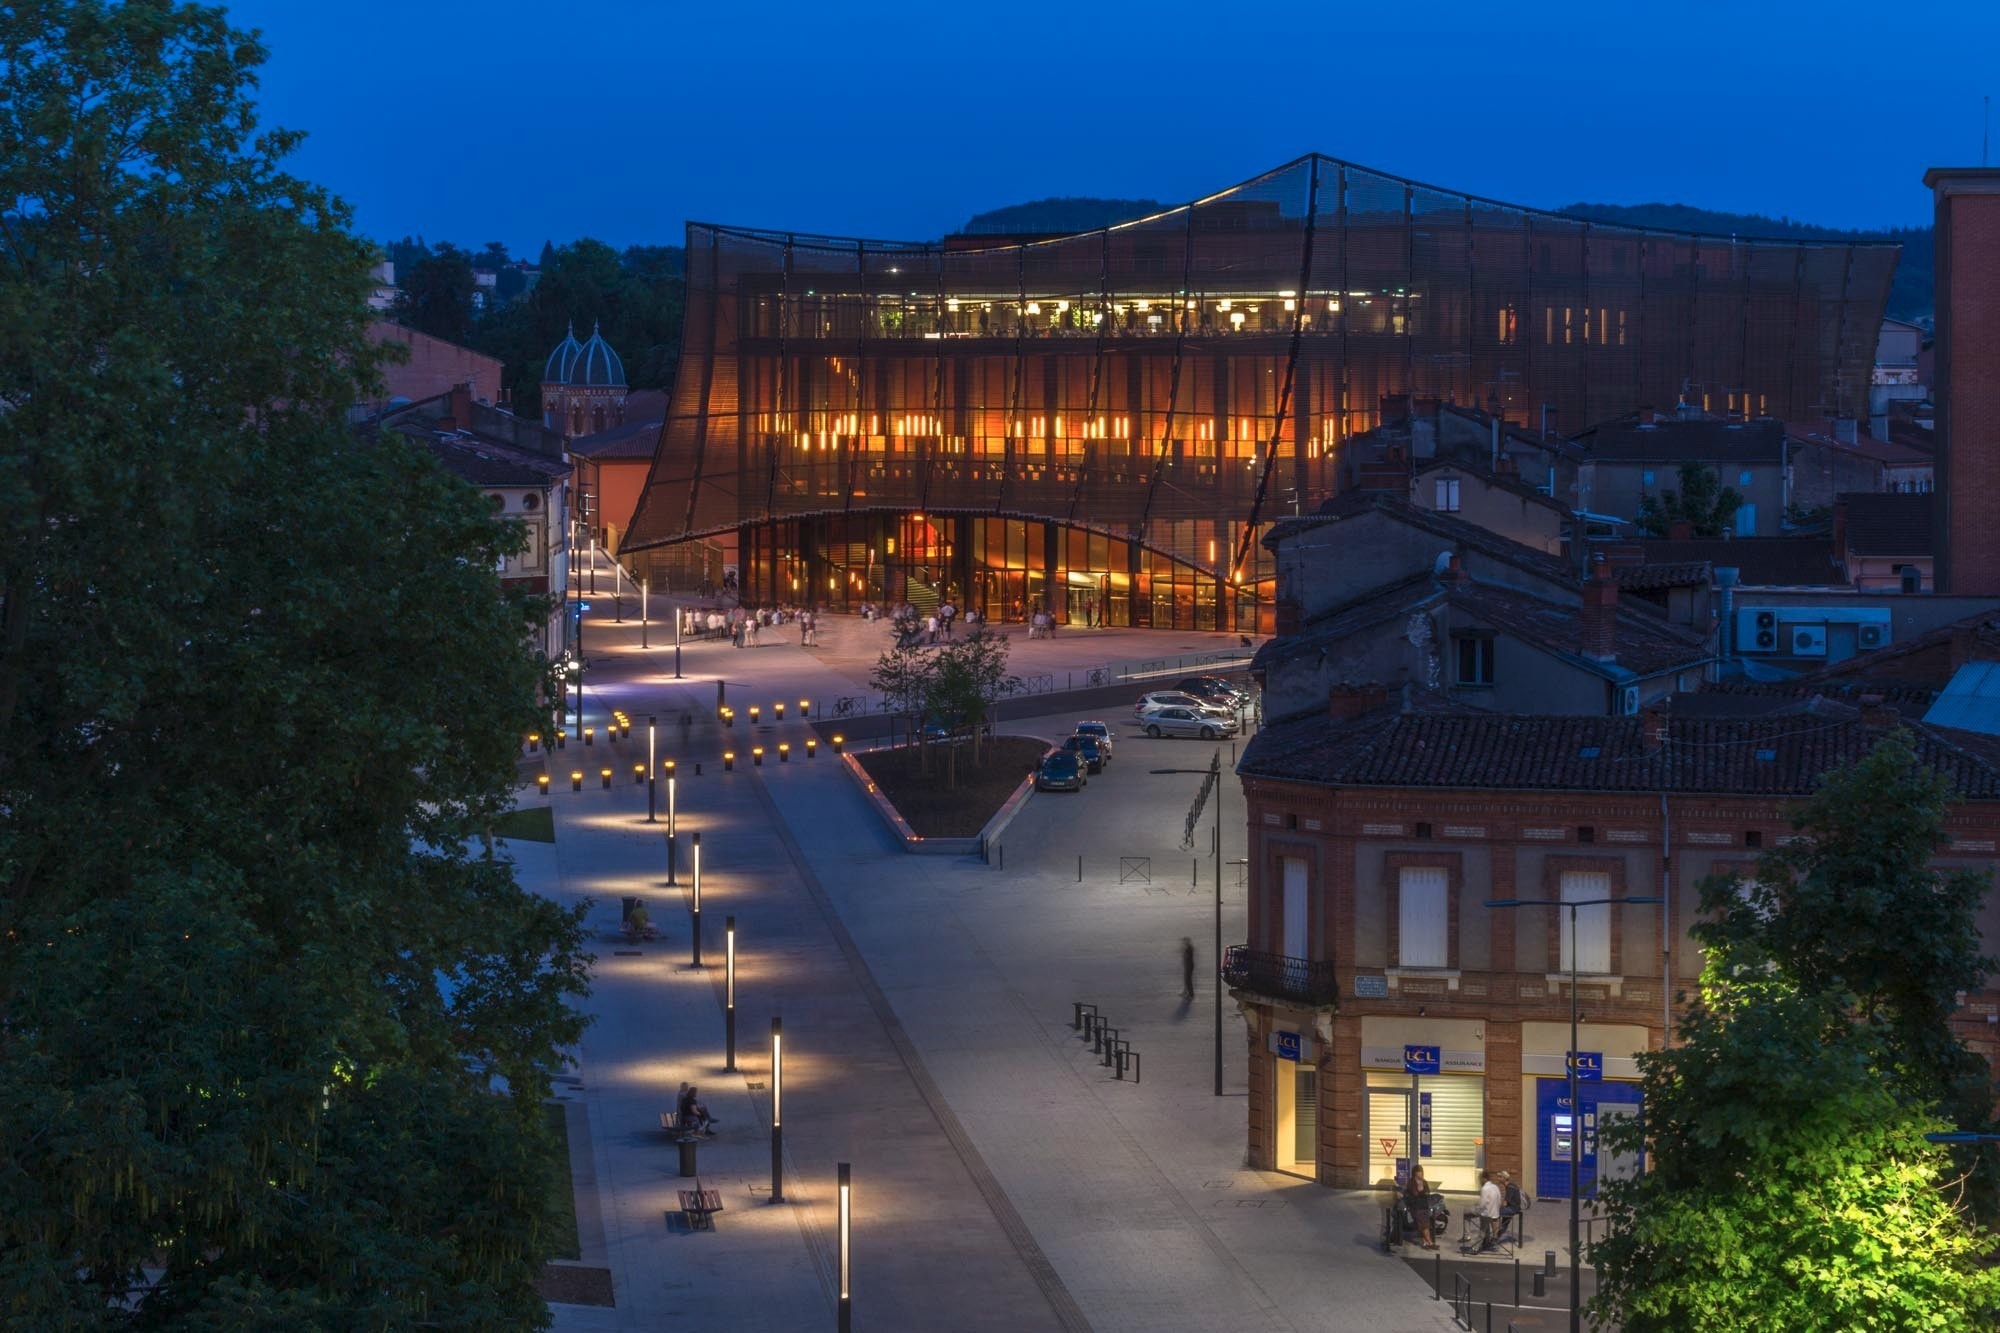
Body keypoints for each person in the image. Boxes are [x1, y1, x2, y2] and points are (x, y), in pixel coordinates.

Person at [1403, 1165, 1437, 1249]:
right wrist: (1419, 1188)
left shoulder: (1424, 1182)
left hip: (1424, 1206)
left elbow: (1427, 1192)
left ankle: (1426, 1242)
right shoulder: (1411, 1182)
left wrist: (1423, 1190)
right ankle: (1430, 1242)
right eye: (1417, 1174)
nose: (1419, 1176)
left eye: (1420, 1174)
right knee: (1423, 1225)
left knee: (1425, 1225)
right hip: (1415, 1207)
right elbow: (1413, 1194)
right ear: (1414, 1174)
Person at [1477, 1169, 1504, 1250]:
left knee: (1466, 1213)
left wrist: (1476, 1209)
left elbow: (1482, 1204)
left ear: (1484, 1179)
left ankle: (1467, 1236)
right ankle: (1489, 1239)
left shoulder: (1484, 1189)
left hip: (1486, 1214)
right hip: (1495, 1214)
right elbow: (1499, 1200)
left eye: (1480, 1179)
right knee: (1490, 1220)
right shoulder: (1495, 1187)